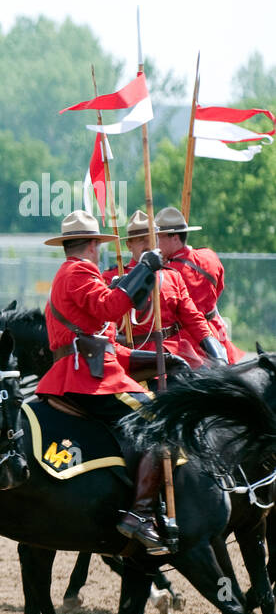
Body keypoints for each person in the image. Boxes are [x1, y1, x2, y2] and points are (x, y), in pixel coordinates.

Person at [35, 210, 172, 555]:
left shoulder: (69, 273)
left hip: (87, 368)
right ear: (94, 245)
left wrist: (159, 359)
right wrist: (145, 266)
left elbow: (103, 341)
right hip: (85, 378)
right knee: (158, 420)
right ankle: (139, 514)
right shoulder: (79, 270)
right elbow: (111, 307)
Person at [101, 211, 225, 369]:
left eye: (151, 239)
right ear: (129, 245)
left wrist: (218, 355)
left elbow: (194, 320)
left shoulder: (173, 276)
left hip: (174, 354)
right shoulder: (112, 276)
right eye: (140, 240)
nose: (147, 244)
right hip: (136, 357)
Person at [154, 207, 242, 363]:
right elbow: (218, 289)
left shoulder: (168, 273)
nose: (155, 243)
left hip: (188, 342)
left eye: (158, 237)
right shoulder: (209, 256)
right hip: (216, 333)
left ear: (175, 238)